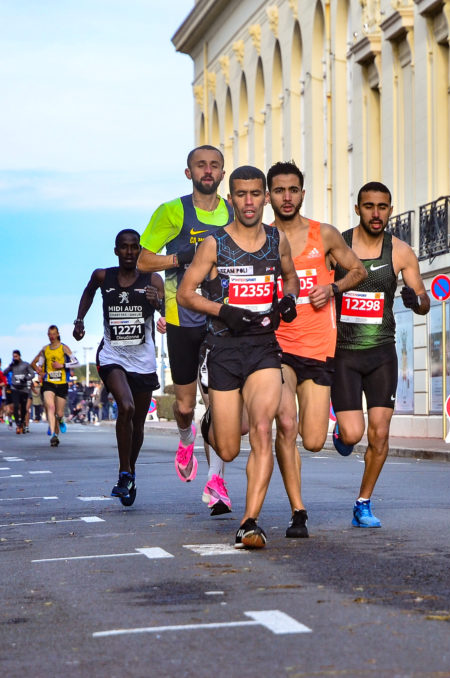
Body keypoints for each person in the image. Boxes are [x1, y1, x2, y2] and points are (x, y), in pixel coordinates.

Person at [177, 164, 299, 549]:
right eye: (241, 195)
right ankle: (211, 421)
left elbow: (290, 275)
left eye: (256, 194)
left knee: (263, 428)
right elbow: (185, 293)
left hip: (263, 346)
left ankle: (249, 522)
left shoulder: (277, 239)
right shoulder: (214, 243)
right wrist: (223, 311)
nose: (249, 202)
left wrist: (289, 299)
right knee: (229, 446)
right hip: (223, 348)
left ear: (266, 197)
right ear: (231, 200)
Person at [267, 161, 366, 538]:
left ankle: (338, 433)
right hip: (276, 346)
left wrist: (333, 288)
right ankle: (298, 510)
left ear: (302, 193)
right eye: (279, 190)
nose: (287, 197)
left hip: (319, 346)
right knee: (285, 423)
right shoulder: (261, 238)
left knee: (312, 440)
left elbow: (358, 270)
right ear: (269, 196)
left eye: (293, 190)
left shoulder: (323, 234)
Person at [331, 181, 430, 528]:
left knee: (380, 432)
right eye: (369, 206)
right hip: (343, 353)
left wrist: (414, 300)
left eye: (383, 207)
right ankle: (342, 434)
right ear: (357, 209)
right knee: (353, 434)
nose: (376, 213)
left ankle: (363, 502)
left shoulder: (401, 251)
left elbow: (423, 300)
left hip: (381, 353)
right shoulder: (337, 246)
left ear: (390, 209)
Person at [138, 145, 235, 499]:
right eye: (200, 165)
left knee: (218, 404)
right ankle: (185, 438)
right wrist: (180, 257)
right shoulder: (173, 211)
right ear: (188, 172)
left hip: (221, 318)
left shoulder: (233, 212)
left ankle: (216, 480)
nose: (207, 171)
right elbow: (142, 260)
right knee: (184, 406)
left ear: (223, 173)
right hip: (182, 317)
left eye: (214, 166)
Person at [74, 229, 164, 506]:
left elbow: (166, 311)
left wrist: (157, 302)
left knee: (137, 424)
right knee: (125, 406)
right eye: (123, 247)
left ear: (139, 251)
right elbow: (88, 292)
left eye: (133, 247)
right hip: (113, 356)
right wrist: (79, 320)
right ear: (116, 250)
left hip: (143, 359)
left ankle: (131, 472)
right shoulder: (104, 276)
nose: (128, 252)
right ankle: (124, 471)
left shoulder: (153, 279)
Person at [32, 325, 78, 447]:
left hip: (62, 383)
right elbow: (39, 363)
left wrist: (62, 365)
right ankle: (53, 435)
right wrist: (39, 370)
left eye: (53, 334)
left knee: (59, 413)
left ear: (58, 334)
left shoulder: (64, 348)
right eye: (49, 334)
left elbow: (76, 363)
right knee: (50, 408)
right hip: (48, 383)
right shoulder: (45, 349)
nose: (51, 336)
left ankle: (61, 421)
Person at [5, 350, 37, 434]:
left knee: (24, 408)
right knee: (15, 406)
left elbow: (33, 374)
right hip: (15, 388)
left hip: (24, 389)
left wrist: (26, 378)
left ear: (19, 356)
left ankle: (22, 421)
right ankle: (18, 424)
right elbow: (4, 373)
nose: (15, 358)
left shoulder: (25, 365)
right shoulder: (12, 366)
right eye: (13, 357)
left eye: (16, 356)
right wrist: (10, 366)